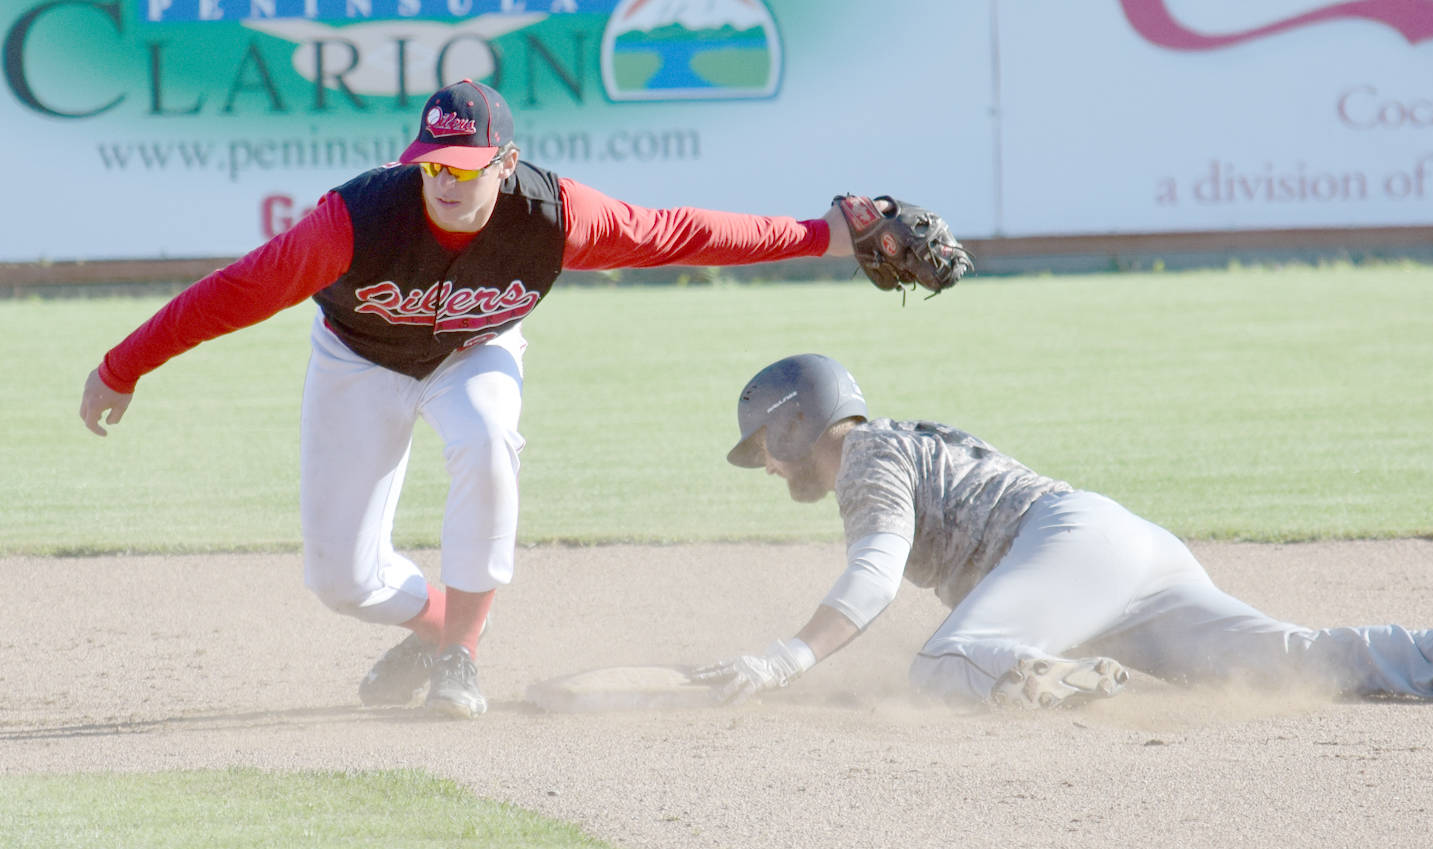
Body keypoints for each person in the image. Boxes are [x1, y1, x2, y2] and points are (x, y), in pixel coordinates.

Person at [78, 79, 891, 720]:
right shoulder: (351, 223)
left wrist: (823, 233)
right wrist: (123, 365)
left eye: (467, 168)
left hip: (474, 353)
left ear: (504, 164)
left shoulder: (555, 216)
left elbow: (679, 231)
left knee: (488, 433)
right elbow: (236, 290)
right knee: (342, 580)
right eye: (434, 165)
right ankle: (441, 627)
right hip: (357, 362)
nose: (448, 182)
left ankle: (460, 654)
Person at [693, 354, 1433, 708]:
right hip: (1114, 552)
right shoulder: (895, 444)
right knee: (1283, 661)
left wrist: (786, 658)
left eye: (767, 444)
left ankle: (1045, 677)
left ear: (800, 422)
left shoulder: (867, 454)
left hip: (1066, 548)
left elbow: (876, 574)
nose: (767, 465)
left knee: (942, 665)